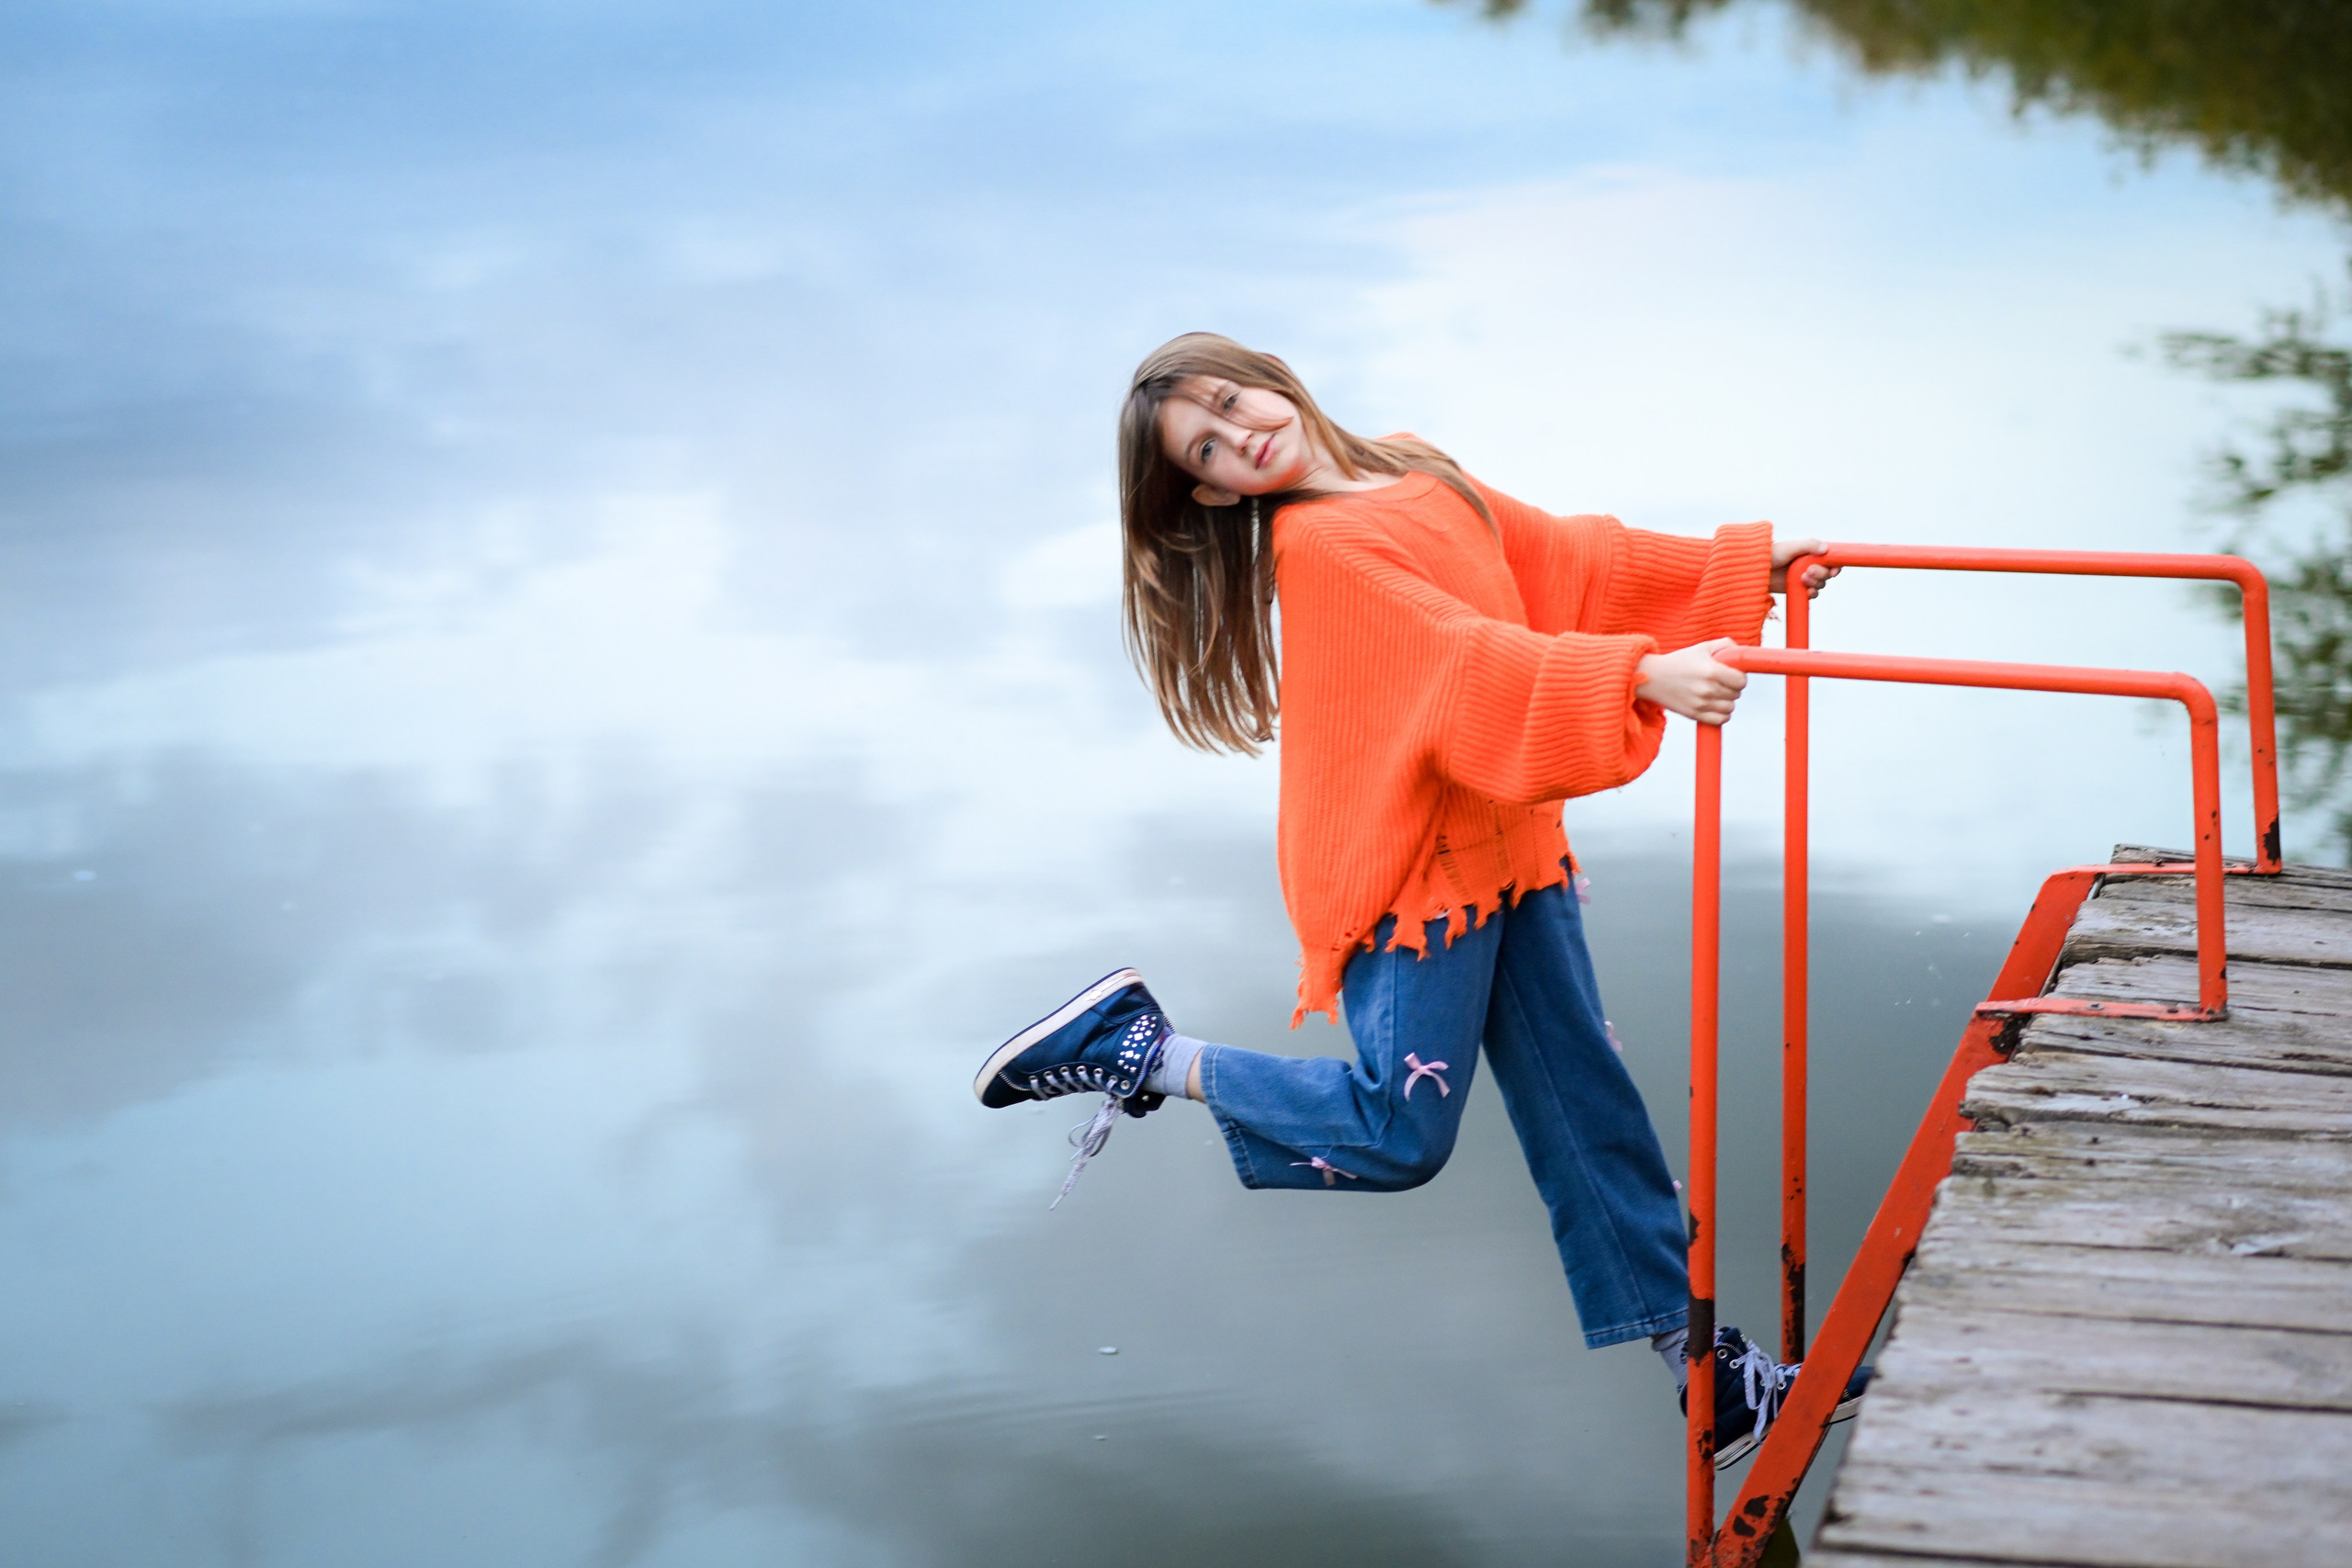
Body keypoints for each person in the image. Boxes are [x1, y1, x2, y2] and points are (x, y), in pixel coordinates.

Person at [973, 333, 1861, 1467]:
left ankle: (1707, 1379)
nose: (1243, 436)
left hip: (1512, 846)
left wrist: (1741, 565)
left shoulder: (1406, 462)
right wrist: (1639, 673)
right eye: (1210, 449)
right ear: (1211, 491)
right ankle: (1141, 1051)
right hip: (1414, 878)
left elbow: (1560, 558)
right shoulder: (1319, 545)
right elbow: (1461, 658)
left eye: (1233, 402)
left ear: (1271, 377)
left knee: (1588, 1105)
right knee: (1400, 1133)